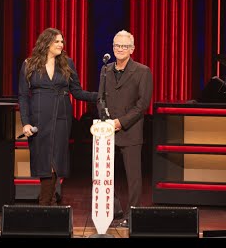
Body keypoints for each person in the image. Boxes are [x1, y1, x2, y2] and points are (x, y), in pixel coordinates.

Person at [18, 27, 98, 206]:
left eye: (62, 41)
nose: (61, 44)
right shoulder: (29, 64)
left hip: (62, 117)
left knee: (55, 161)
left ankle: (45, 203)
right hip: (39, 118)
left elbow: (76, 92)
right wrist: (25, 123)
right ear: (46, 43)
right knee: (44, 160)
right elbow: (23, 97)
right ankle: (48, 202)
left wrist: (99, 95)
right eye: (57, 41)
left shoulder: (67, 63)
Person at [97, 29, 153, 228]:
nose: (120, 49)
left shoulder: (142, 71)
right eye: (117, 45)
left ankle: (132, 215)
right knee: (104, 174)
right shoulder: (106, 69)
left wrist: (120, 122)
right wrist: (105, 120)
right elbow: (100, 97)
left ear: (132, 49)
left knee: (133, 177)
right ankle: (113, 209)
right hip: (107, 130)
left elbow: (142, 104)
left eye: (124, 46)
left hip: (130, 130)